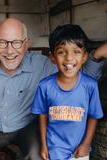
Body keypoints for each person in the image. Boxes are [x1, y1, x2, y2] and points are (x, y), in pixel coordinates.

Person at [0, 17, 107, 160]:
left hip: (26, 128)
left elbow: (76, 74)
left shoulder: (43, 64)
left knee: (38, 156)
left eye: (16, 42)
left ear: (26, 43)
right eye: (2, 42)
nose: (10, 51)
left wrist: (97, 55)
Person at [31, 24, 103, 160]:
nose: (69, 58)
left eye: (76, 51)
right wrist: (44, 146)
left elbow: (94, 116)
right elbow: (42, 116)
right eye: (61, 52)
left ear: (84, 57)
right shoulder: (45, 86)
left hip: (79, 150)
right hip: (54, 149)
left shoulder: (90, 86)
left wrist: (85, 145)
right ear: (52, 57)